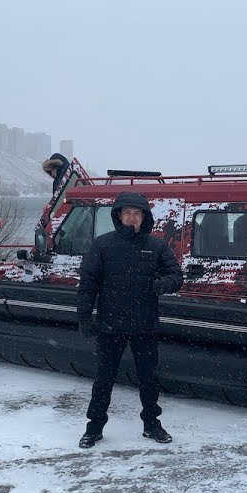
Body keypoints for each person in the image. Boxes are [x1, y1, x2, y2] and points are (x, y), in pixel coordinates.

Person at [75, 191, 183, 448]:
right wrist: (84, 317)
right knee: (104, 378)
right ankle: (94, 427)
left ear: (143, 217)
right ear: (119, 216)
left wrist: (162, 284)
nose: (132, 218)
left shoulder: (156, 246)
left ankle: (151, 425)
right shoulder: (102, 245)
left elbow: (176, 276)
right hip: (110, 325)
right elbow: (88, 284)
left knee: (149, 379)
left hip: (144, 325)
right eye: (127, 213)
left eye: (137, 214)